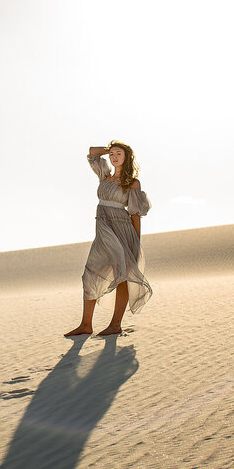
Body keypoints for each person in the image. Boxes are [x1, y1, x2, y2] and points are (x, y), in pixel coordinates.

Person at [66, 141, 153, 337]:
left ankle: (115, 324)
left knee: (121, 275)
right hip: (103, 229)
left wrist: (136, 243)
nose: (113, 157)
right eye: (112, 154)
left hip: (122, 230)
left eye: (118, 154)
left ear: (127, 157)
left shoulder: (132, 183)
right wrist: (110, 148)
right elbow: (91, 153)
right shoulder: (104, 175)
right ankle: (86, 324)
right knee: (90, 273)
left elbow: (135, 214)